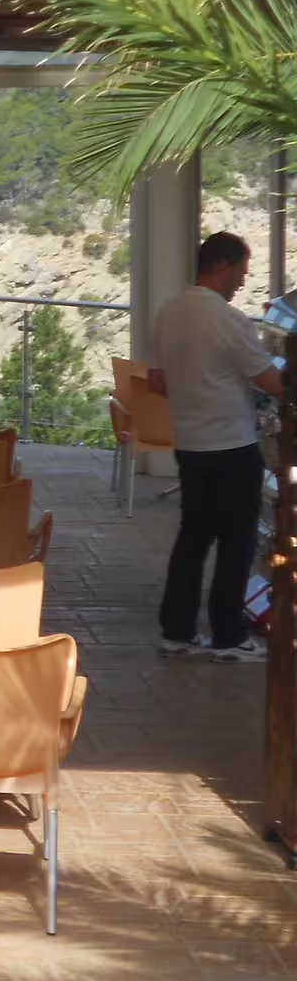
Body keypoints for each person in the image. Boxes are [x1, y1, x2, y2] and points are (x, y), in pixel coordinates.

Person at [151, 231, 283, 662]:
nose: (242, 283)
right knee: (237, 542)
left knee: (193, 538)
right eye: (242, 272)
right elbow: (270, 381)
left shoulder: (168, 313)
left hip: (190, 443)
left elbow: (156, 380)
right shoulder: (229, 320)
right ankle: (228, 636)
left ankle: (177, 632)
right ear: (222, 266)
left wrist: (195, 397)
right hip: (232, 445)